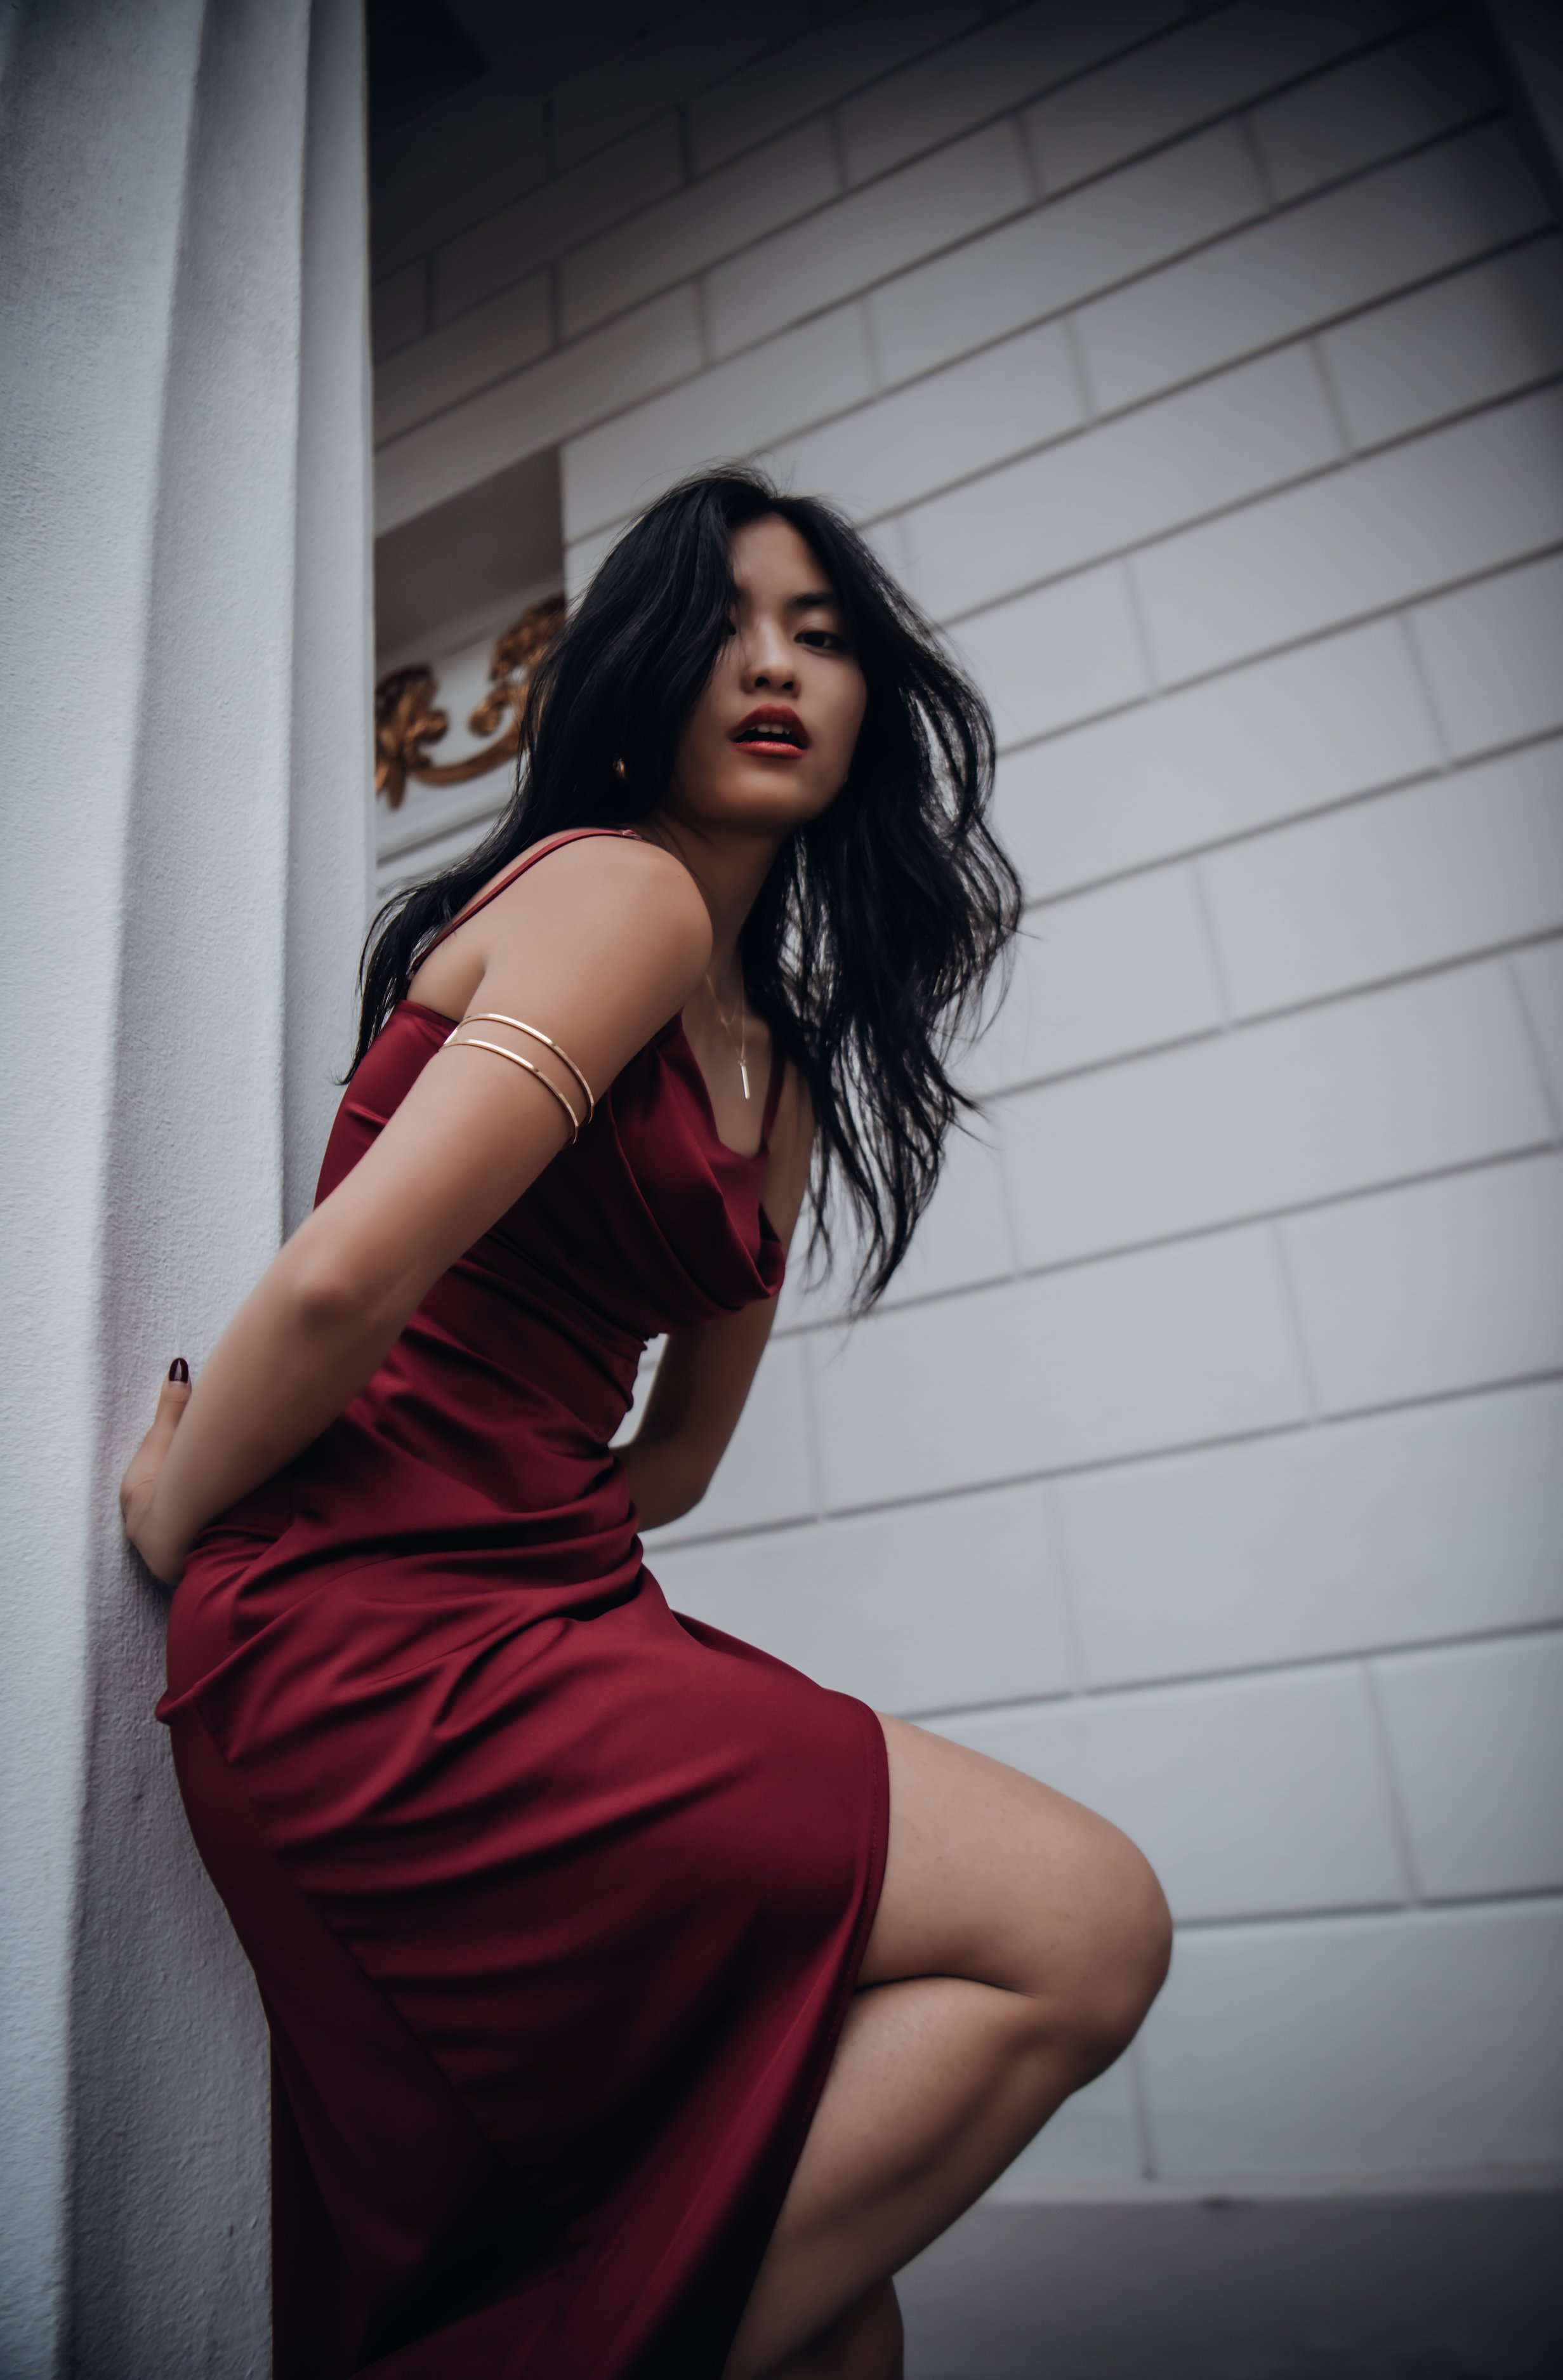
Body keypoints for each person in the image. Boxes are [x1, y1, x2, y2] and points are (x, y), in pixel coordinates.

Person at [121, 468, 1171, 2380]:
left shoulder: (782, 1072)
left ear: (865, 708)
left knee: (840, 2325)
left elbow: (667, 1464)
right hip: (377, 1644)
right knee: (1081, 1923)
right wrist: (179, 1514)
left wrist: (509, 1518)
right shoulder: (617, 896)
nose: (774, 666)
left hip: (546, 1613)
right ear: (636, 676)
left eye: (820, 636)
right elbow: (344, 1285)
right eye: (726, 626)